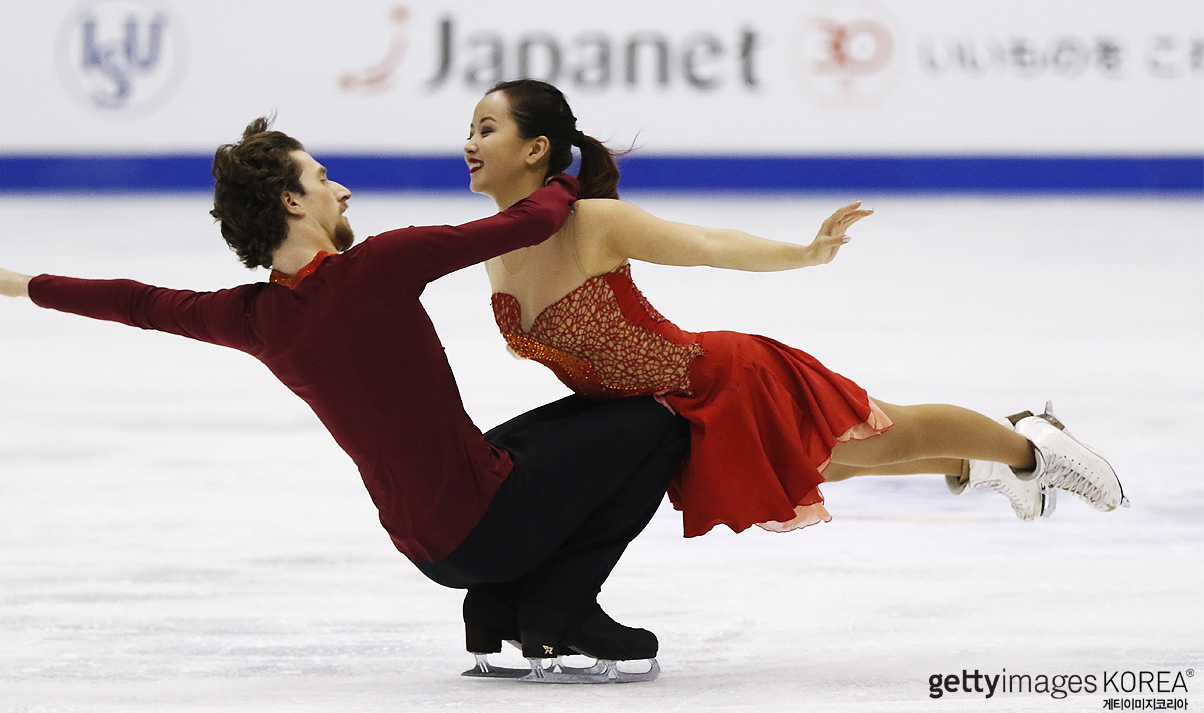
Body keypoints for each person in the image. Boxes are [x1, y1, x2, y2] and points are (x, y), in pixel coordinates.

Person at [0, 118, 687, 683]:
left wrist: (20, 283)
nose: (343, 188)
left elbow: (140, 302)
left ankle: (497, 606)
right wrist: (568, 167)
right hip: (483, 526)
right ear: (295, 200)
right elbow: (527, 222)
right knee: (657, 417)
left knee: (555, 431)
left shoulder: (252, 316)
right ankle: (558, 607)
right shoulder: (378, 267)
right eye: (325, 178)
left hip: (427, 545)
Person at [462, 79, 1127, 538]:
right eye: (468, 130)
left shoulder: (592, 223)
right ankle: (985, 462)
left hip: (719, 379)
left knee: (891, 434)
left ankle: (1032, 442)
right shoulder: (495, 247)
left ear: (535, 148)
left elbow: (709, 244)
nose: (468, 143)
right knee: (852, 461)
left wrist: (804, 253)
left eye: (485, 129)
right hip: (668, 417)